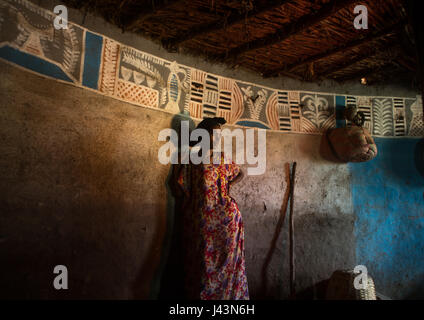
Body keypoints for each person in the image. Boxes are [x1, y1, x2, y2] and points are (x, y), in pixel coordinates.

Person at [174, 117, 249, 300]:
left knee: (228, 267)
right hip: (203, 219)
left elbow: (241, 173)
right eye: (214, 134)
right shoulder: (191, 158)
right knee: (203, 268)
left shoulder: (222, 156)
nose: (217, 138)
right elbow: (180, 186)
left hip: (227, 220)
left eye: (219, 135)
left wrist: (228, 186)